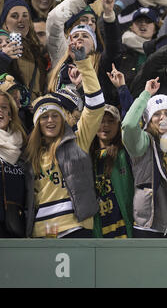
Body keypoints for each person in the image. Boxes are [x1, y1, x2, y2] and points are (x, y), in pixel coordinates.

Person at [24, 43, 105, 238]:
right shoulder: (29, 153)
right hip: (40, 232)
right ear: (37, 124)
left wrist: (84, 64)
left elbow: (96, 107)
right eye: (44, 117)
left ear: (63, 119)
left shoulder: (78, 141)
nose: (50, 120)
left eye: (55, 116)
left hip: (75, 227)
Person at [122, 77, 167, 238]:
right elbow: (128, 125)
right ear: (148, 120)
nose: (163, 117)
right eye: (156, 114)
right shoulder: (142, 144)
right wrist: (146, 94)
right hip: (150, 225)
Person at [90, 104, 134, 238]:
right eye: (101, 121)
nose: (105, 125)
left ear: (119, 124)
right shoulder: (87, 156)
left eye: (110, 121)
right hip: (100, 225)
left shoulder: (126, 152)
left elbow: (132, 123)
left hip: (123, 223)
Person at [0, 0, 48, 99]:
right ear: (5, 23)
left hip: (33, 111)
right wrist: (3, 57)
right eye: (14, 16)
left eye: (25, 16)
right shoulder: (1, 48)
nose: (21, 20)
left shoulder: (35, 50)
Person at [0, 91, 27, 237]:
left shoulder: (23, 147)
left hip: (17, 226)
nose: (0, 111)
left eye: (4, 107)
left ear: (11, 115)